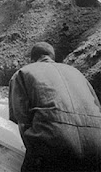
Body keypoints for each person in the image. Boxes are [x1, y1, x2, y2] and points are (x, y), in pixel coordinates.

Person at [8, 42, 101, 171]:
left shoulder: (23, 73)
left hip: (54, 147)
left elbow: (21, 119)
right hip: (97, 148)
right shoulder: (78, 73)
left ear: (32, 59)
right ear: (53, 57)